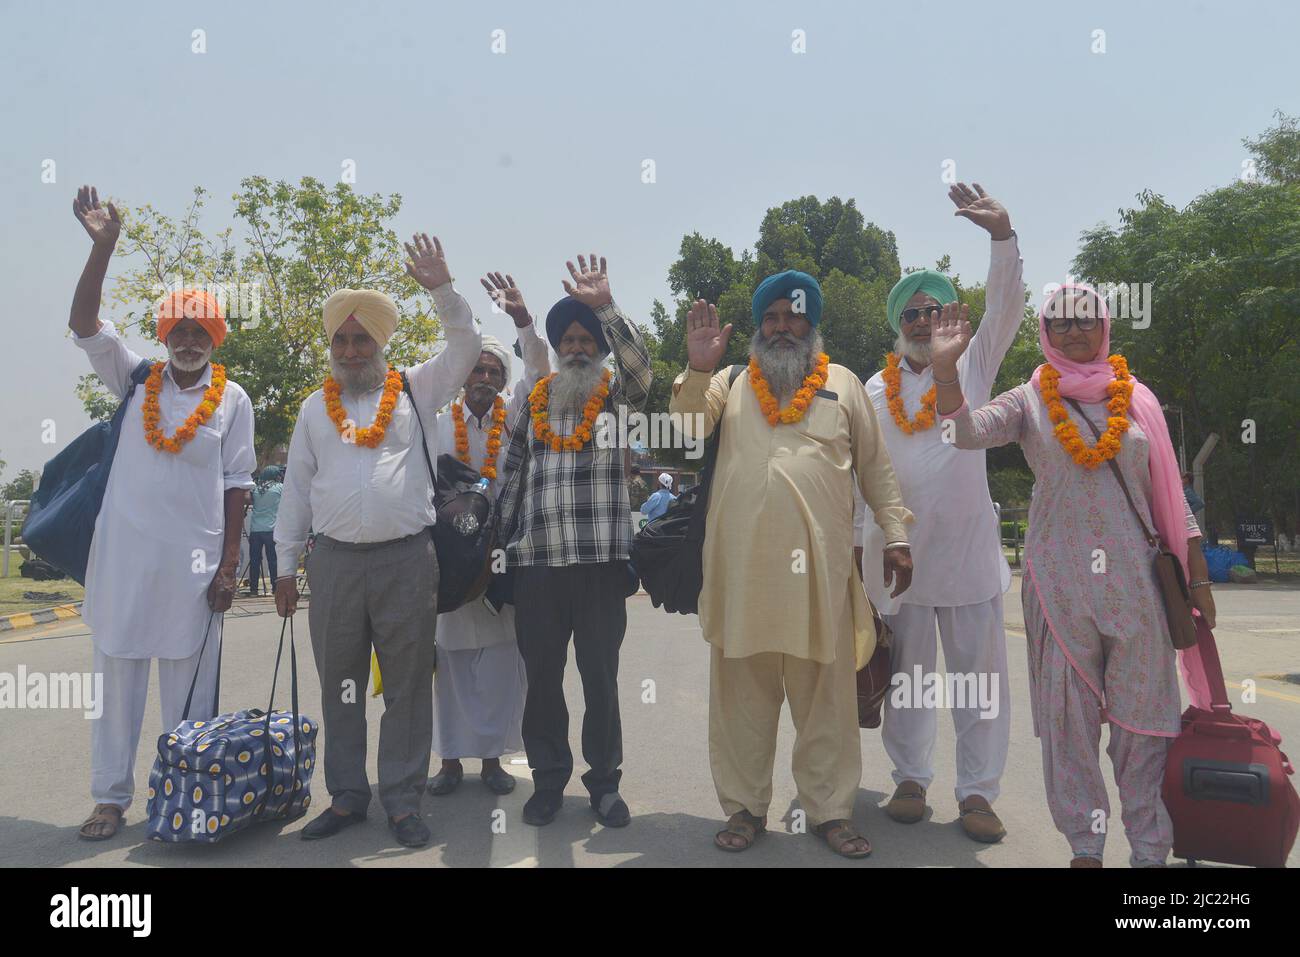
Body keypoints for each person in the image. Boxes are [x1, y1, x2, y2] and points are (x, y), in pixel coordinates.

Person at [930, 284, 1216, 867]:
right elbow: (963, 432)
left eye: (1086, 320)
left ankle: (1148, 852)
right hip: (1059, 590)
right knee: (1069, 727)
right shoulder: (1030, 400)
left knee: (1143, 728)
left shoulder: (1138, 400)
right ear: (1046, 333)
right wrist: (944, 370)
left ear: (1105, 327)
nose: (1074, 330)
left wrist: (1200, 579)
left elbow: (1171, 497)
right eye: (1059, 322)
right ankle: (1086, 846)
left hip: (1139, 589)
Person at [669, 272, 914, 858]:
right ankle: (745, 809)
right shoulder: (727, 383)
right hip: (741, 576)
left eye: (794, 316)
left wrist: (897, 533)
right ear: (759, 327)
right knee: (741, 705)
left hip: (820, 581)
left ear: (811, 325)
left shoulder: (845, 384)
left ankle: (830, 811)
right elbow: (684, 430)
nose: (782, 326)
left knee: (826, 702)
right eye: (772, 317)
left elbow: (876, 468)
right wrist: (698, 367)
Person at [273, 233, 482, 848]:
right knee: (340, 684)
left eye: (361, 338)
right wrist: (284, 566)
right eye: (340, 339)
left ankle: (402, 800)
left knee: (408, 686)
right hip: (333, 564)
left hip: (407, 560)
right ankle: (346, 797)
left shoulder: (418, 389)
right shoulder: (314, 408)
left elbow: (466, 346)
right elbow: (295, 491)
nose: (350, 348)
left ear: (381, 343)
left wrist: (442, 290)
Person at [67, 186, 255, 841]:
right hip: (123, 562)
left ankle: (185, 795)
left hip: (196, 568)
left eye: (201, 330)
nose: (189, 339)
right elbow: (87, 324)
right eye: (179, 328)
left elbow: (239, 483)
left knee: (190, 694)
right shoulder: (136, 378)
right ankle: (110, 799)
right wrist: (103, 249)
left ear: (216, 337)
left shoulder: (233, 399)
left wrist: (230, 564)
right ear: (164, 333)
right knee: (117, 685)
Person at [853, 182, 1022, 842]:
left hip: (971, 561)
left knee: (980, 686)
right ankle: (911, 779)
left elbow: (1006, 306)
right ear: (899, 325)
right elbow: (861, 475)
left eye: (933, 310)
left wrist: (1002, 237)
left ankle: (978, 793)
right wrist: (855, 551)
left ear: (949, 317)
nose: (923, 321)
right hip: (901, 564)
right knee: (909, 683)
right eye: (912, 313)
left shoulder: (974, 362)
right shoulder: (873, 388)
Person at [493, 253, 652, 828]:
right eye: (571, 339)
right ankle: (548, 781)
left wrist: (604, 304)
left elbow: (641, 369)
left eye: (589, 339)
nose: (580, 347)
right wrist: (494, 555)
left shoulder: (616, 399)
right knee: (542, 684)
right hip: (538, 567)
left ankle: (605, 784)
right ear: (558, 347)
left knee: (600, 682)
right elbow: (508, 482)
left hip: (601, 567)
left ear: (600, 349)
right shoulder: (532, 402)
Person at [426, 272, 549, 797]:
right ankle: (450, 760)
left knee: (500, 661)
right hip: (450, 559)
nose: (483, 375)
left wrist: (522, 319)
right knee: (449, 662)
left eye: (494, 370)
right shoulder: (435, 416)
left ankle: (494, 759)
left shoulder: (517, 413)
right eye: (477, 366)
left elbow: (540, 370)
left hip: (499, 557)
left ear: (503, 381)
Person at [247, 466, 283, 595]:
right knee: (273, 560)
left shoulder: (256, 489)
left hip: (255, 530)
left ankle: (253, 589)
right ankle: (275, 588)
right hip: (271, 529)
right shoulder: (279, 487)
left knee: (255, 560)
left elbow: (248, 500)